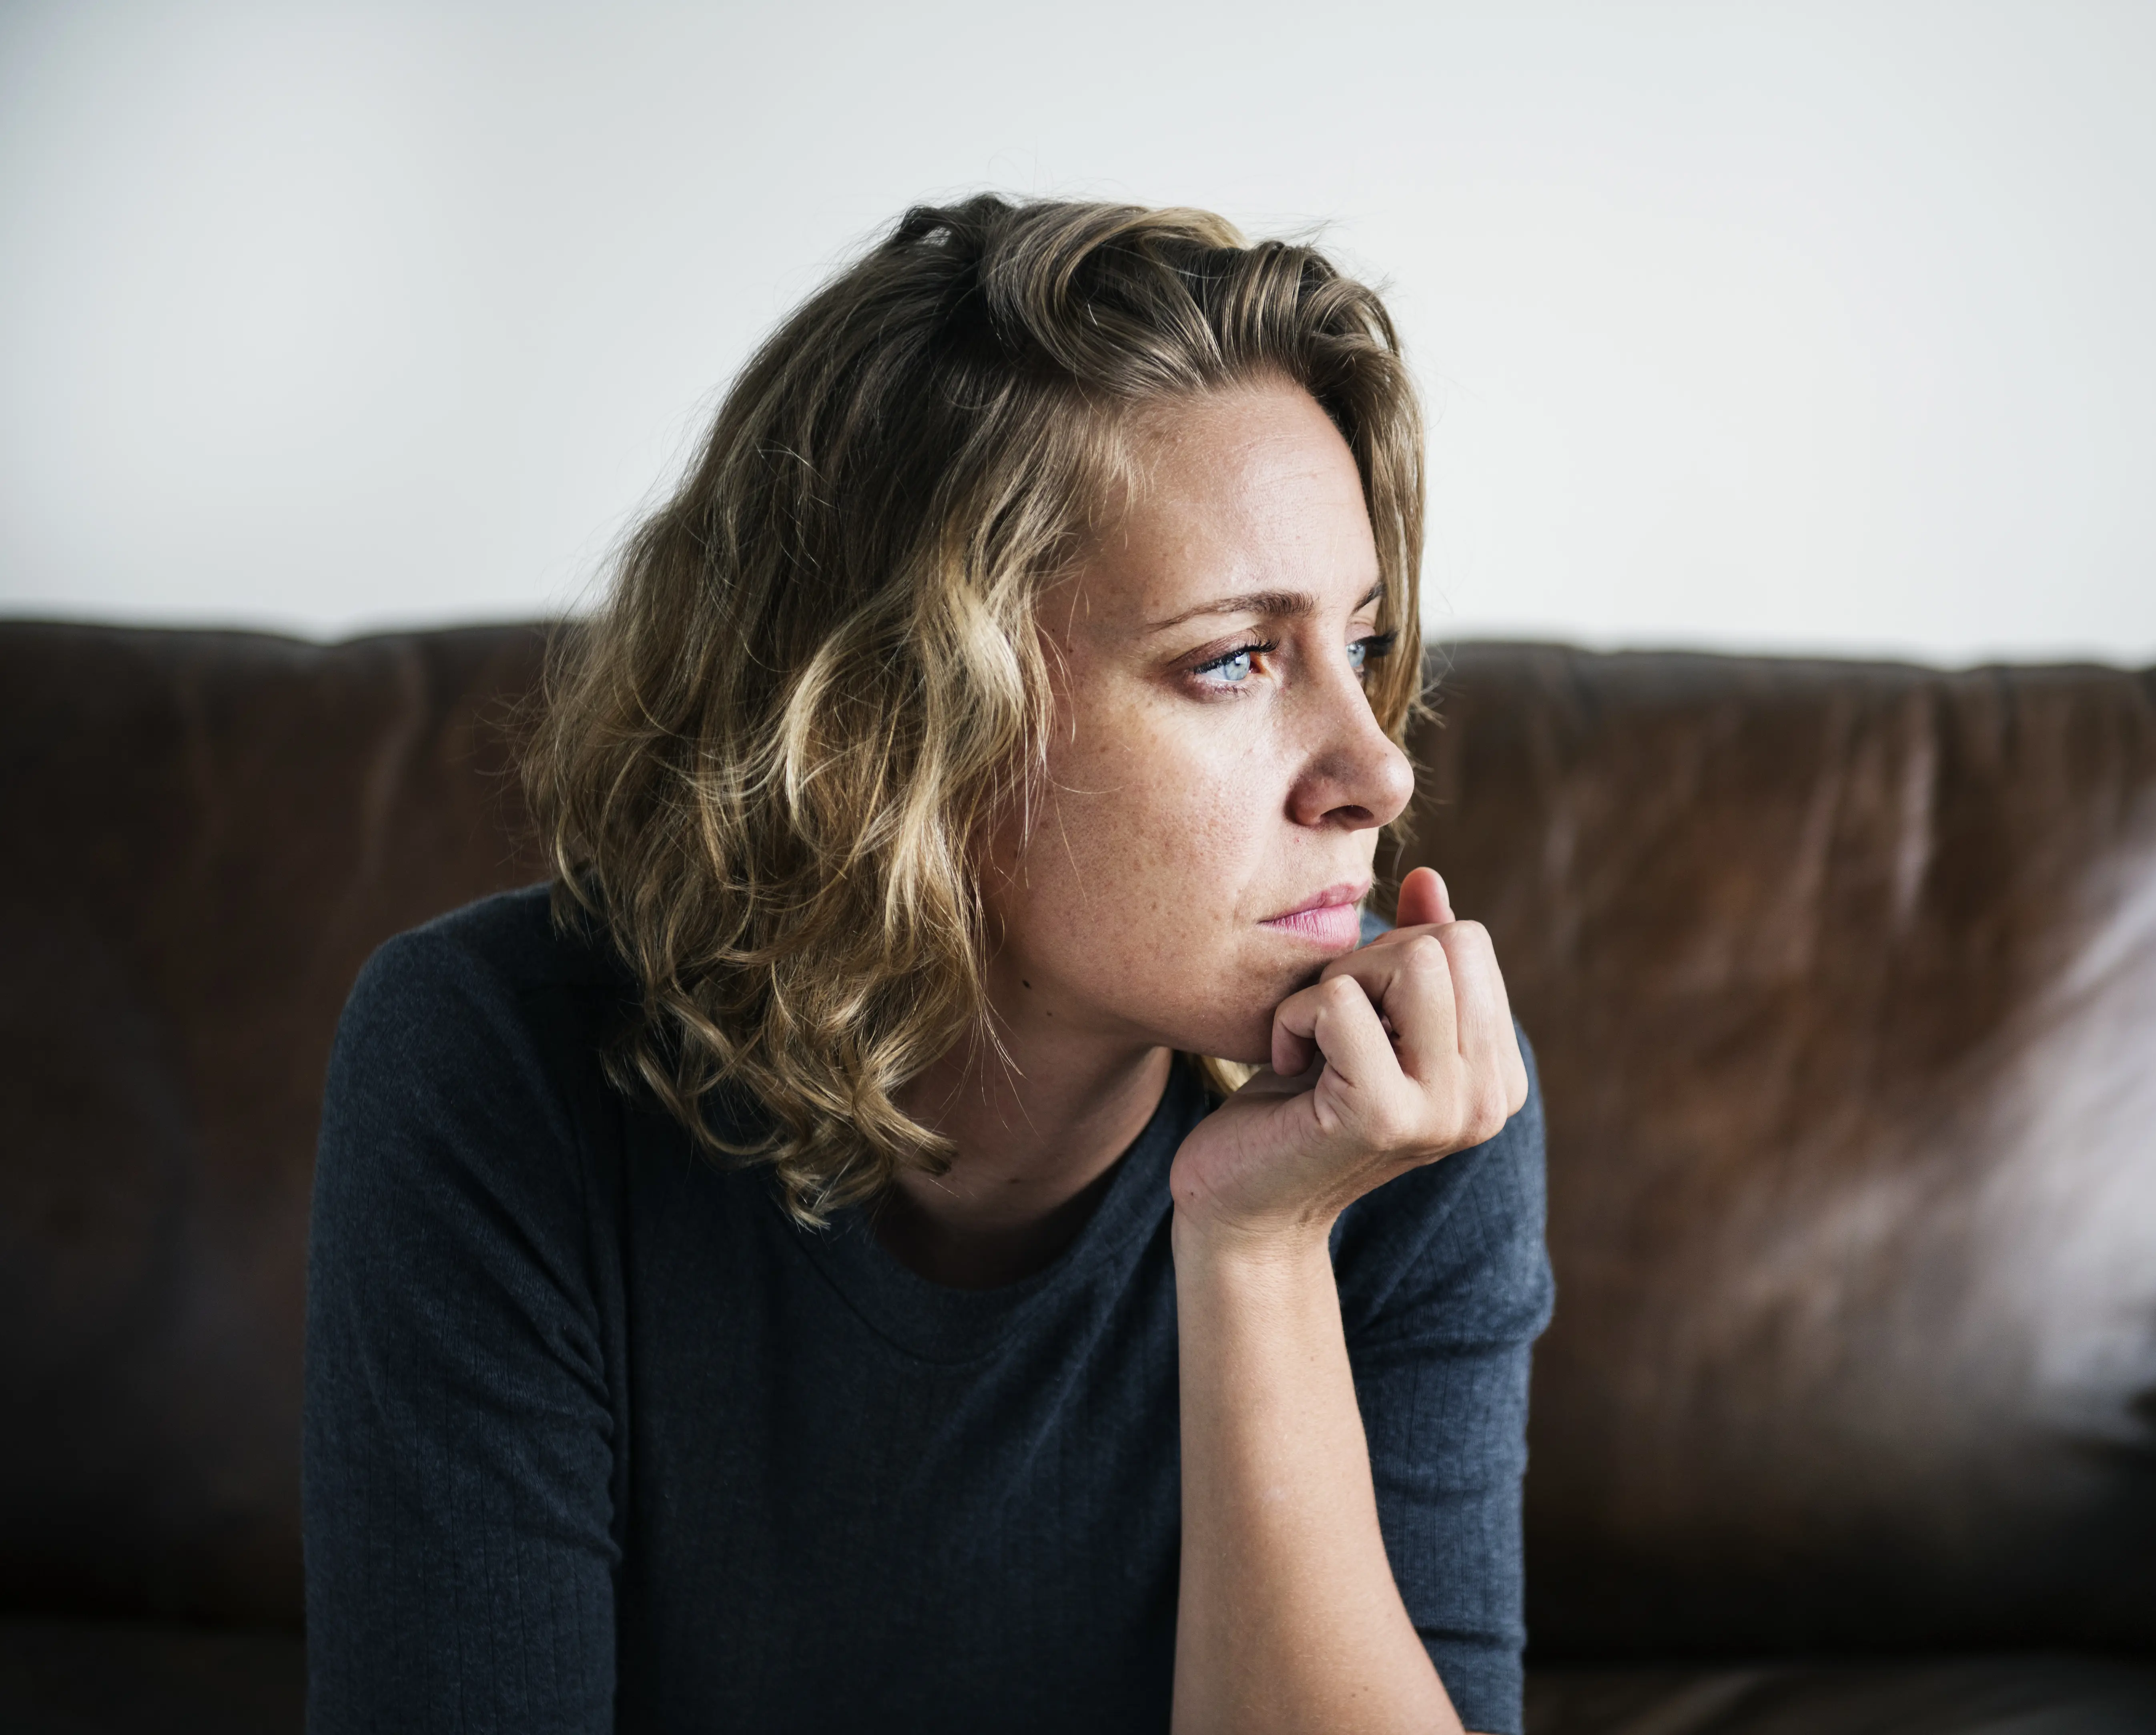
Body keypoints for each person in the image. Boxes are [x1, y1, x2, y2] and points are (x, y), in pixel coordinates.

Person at [301, 195, 1552, 1734]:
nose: (1376, 770)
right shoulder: (494, 1062)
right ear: (898, 724)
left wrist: (1259, 1250)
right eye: (1233, 658)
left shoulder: (1403, 1107)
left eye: (1358, 647)